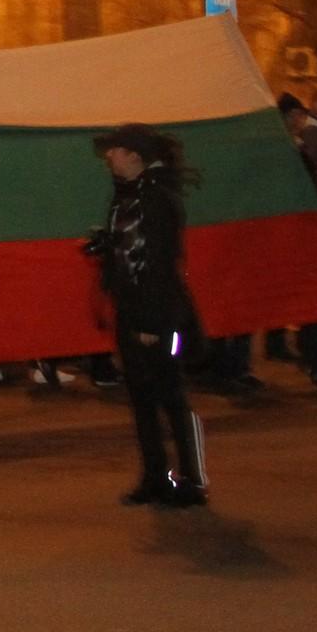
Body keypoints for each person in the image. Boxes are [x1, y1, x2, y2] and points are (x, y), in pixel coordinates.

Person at [86, 124, 206, 508]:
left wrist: (153, 323)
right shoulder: (129, 196)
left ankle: (191, 479)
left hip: (156, 314)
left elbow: (159, 262)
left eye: (115, 150)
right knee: (140, 396)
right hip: (133, 309)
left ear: (135, 155)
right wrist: (105, 244)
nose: (109, 157)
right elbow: (133, 247)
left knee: (171, 396)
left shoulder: (155, 198)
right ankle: (155, 476)